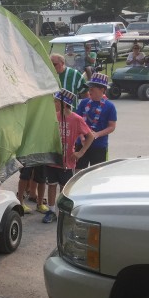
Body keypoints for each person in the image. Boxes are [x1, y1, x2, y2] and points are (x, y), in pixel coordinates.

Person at [43, 89, 95, 223]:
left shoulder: (76, 119)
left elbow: (90, 136)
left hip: (67, 161)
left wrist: (81, 152)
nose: (54, 104)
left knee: (64, 188)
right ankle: (51, 211)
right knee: (51, 185)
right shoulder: (53, 116)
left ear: (64, 104)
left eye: (56, 101)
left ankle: (63, 212)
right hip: (53, 158)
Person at [74, 72, 117, 169]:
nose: (89, 90)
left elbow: (112, 126)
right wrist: (81, 137)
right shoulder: (84, 103)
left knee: (97, 171)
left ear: (102, 89)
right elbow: (77, 122)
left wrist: (97, 134)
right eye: (89, 88)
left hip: (99, 145)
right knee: (79, 171)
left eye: (92, 88)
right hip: (81, 143)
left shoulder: (110, 106)